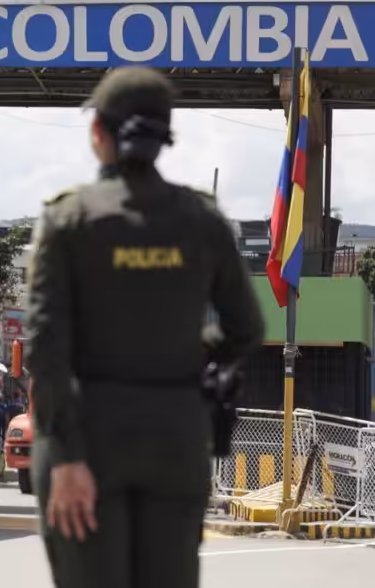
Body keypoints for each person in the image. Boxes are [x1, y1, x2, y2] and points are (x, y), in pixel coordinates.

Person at [23, 67, 264, 588]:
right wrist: (180, 351)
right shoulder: (202, 220)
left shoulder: (70, 220)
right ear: (163, 137)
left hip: (86, 442)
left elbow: (45, 348)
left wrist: (65, 460)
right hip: (175, 440)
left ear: (98, 134)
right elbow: (246, 328)